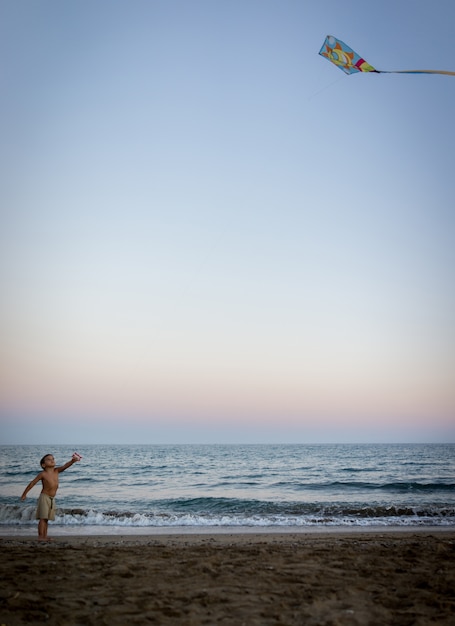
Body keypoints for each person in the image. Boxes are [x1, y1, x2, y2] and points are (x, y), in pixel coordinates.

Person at [21, 453, 81, 541]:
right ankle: (41, 536)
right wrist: (24, 494)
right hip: (44, 497)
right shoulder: (43, 474)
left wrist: (72, 461)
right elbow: (32, 483)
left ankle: (44, 536)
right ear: (43, 465)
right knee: (42, 518)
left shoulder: (56, 471)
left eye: (53, 458)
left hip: (52, 498)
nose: (52, 460)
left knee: (46, 519)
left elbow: (65, 466)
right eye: (49, 459)